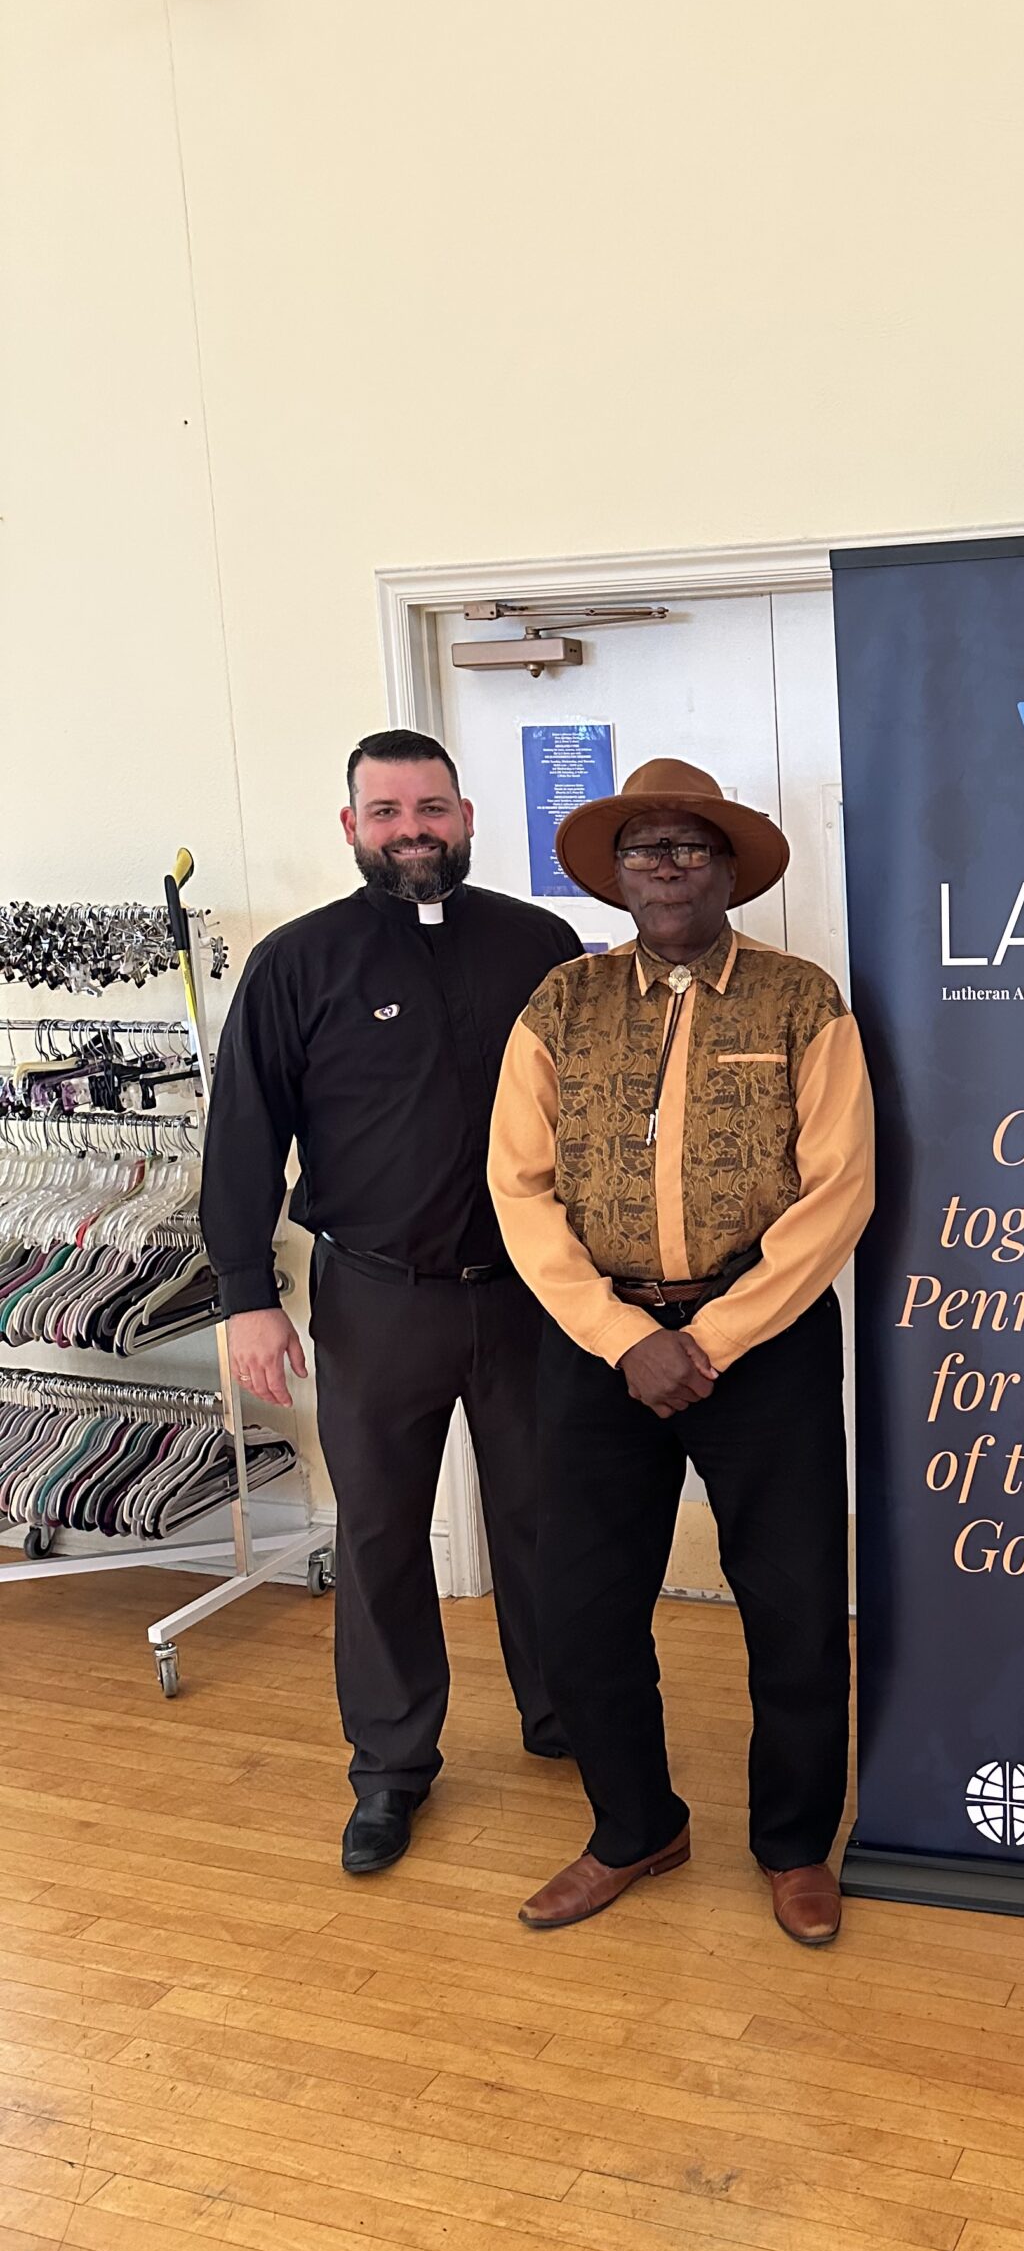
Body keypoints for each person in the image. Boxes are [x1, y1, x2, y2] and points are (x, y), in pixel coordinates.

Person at [488, 757, 874, 1944]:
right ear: (616, 874)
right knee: (581, 1606)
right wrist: (623, 1338)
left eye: (690, 846)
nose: (666, 865)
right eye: (644, 848)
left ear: (728, 869)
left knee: (795, 1603)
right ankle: (634, 1827)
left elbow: (841, 1188)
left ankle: (794, 1844)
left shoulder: (802, 1000)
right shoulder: (561, 1003)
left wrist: (710, 1338)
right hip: (599, 1344)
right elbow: (517, 1187)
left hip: (765, 1340)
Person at [202, 731, 582, 1874]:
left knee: (547, 1517)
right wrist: (246, 1295)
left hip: (530, 1295)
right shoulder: (296, 962)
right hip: (374, 1299)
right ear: (352, 826)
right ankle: (391, 1768)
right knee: (376, 1535)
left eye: (430, 808)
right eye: (386, 811)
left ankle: (566, 1713)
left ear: (465, 816)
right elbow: (243, 1135)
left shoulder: (541, 945)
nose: (411, 829)